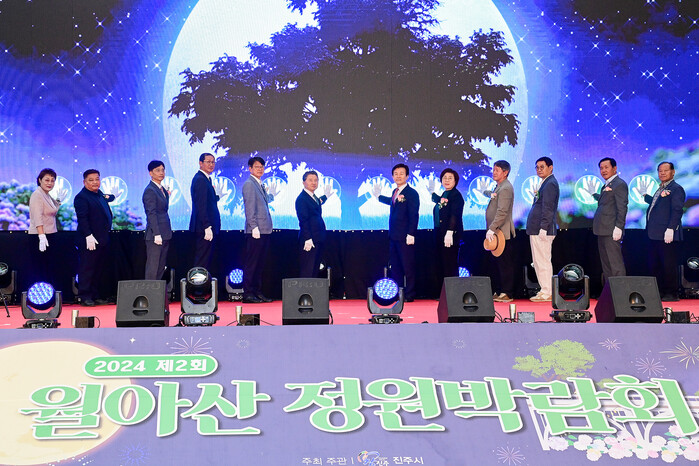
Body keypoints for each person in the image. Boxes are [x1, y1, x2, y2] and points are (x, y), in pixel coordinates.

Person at [373, 163, 419, 301]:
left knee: (408, 266)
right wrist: (378, 196)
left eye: (401, 174)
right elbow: (392, 202)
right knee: (396, 267)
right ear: (393, 176)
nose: (398, 176)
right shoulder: (395, 191)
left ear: (407, 176)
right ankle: (398, 293)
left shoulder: (412, 193)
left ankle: (410, 294)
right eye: (396, 174)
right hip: (393, 236)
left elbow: (414, 215)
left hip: (405, 236)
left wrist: (411, 234)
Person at [642, 161, 685, 301]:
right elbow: (659, 205)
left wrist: (671, 228)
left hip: (666, 233)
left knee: (668, 264)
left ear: (673, 172)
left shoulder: (676, 188)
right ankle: (659, 292)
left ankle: (672, 293)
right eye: (660, 171)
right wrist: (646, 197)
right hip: (654, 233)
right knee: (656, 265)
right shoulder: (661, 188)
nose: (662, 173)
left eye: (665, 170)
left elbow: (677, 210)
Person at [74, 169, 115, 306]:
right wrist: (88, 235)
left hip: (103, 238)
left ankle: (95, 295)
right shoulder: (81, 197)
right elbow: (82, 218)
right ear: (84, 182)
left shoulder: (99, 194)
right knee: (87, 268)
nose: (95, 182)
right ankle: (84, 296)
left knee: (99, 268)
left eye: (97, 179)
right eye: (91, 180)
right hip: (89, 239)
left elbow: (109, 199)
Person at [242, 156, 277, 303]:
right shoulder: (249, 184)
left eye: (262, 166)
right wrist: (254, 227)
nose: (260, 169)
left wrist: (271, 195)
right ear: (250, 169)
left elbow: (264, 201)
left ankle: (257, 291)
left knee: (260, 264)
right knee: (252, 263)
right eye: (257, 167)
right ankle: (248, 293)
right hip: (256, 231)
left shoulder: (259, 183)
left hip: (264, 230)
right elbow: (249, 208)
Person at [525, 157, 560, 302]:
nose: (539, 170)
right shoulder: (545, 182)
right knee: (538, 261)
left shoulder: (550, 183)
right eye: (537, 167)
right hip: (536, 228)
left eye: (542, 167)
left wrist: (544, 228)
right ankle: (544, 289)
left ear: (550, 168)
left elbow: (548, 208)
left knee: (543, 261)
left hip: (543, 229)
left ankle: (547, 292)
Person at [590, 157, 628, 281]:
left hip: (611, 230)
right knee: (606, 264)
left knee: (615, 263)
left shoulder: (619, 184)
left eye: (606, 167)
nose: (603, 170)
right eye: (601, 168)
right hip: (602, 229)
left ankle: (620, 290)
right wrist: (594, 194)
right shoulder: (607, 184)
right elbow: (606, 202)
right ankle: (610, 290)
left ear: (614, 168)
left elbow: (622, 207)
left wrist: (619, 227)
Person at [483, 160, 516, 303]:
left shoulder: (506, 188)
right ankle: (500, 290)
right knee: (497, 263)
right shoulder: (498, 187)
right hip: (496, 232)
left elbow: (502, 212)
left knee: (505, 263)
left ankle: (507, 292)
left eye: (497, 170)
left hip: (502, 232)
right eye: (493, 169)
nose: (494, 172)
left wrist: (492, 228)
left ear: (505, 172)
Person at [295, 170, 333, 278]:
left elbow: (317, 203)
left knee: (315, 269)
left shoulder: (313, 197)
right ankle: (305, 289)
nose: (313, 183)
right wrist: (307, 238)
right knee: (308, 269)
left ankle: (312, 289)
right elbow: (303, 220)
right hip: (310, 240)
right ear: (304, 182)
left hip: (318, 238)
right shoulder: (302, 199)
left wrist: (326, 196)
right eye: (310, 180)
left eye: (316, 180)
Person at [429, 168, 464, 281]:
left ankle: (452, 289)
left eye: (450, 178)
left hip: (450, 234)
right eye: (444, 178)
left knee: (449, 263)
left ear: (455, 181)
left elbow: (455, 214)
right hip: (439, 232)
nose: (447, 180)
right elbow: (439, 201)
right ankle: (442, 289)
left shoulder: (456, 195)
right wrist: (432, 193)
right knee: (440, 262)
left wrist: (450, 232)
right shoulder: (445, 193)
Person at [189, 153, 221, 269]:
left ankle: (202, 279)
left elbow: (207, 201)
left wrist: (216, 196)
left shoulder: (206, 179)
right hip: (204, 228)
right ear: (200, 163)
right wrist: (207, 226)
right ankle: (198, 280)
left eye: (213, 162)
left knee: (205, 260)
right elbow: (201, 205)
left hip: (207, 227)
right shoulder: (200, 179)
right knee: (202, 260)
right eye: (208, 162)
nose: (211, 164)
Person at [142, 160, 172, 280]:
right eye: (157, 170)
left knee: (160, 267)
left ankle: (157, 290)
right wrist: (157, 233)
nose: (161, 173)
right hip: (155, 234)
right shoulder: (150, 190)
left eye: (163, 170)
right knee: (153, 267)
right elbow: (151, 213)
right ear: (151, 173)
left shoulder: (162, 189)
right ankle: (150, 291)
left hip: (165, 233)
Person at [28, 168, 61, 253]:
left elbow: (52, 211)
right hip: (40, 236)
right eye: (47, 180)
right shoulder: (37, 194)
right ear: (40, 180)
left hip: (50, 234)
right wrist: (41, 236)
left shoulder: (46, 194)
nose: (50, 183)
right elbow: (37, 217)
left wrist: (58, 201)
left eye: (52, 181)